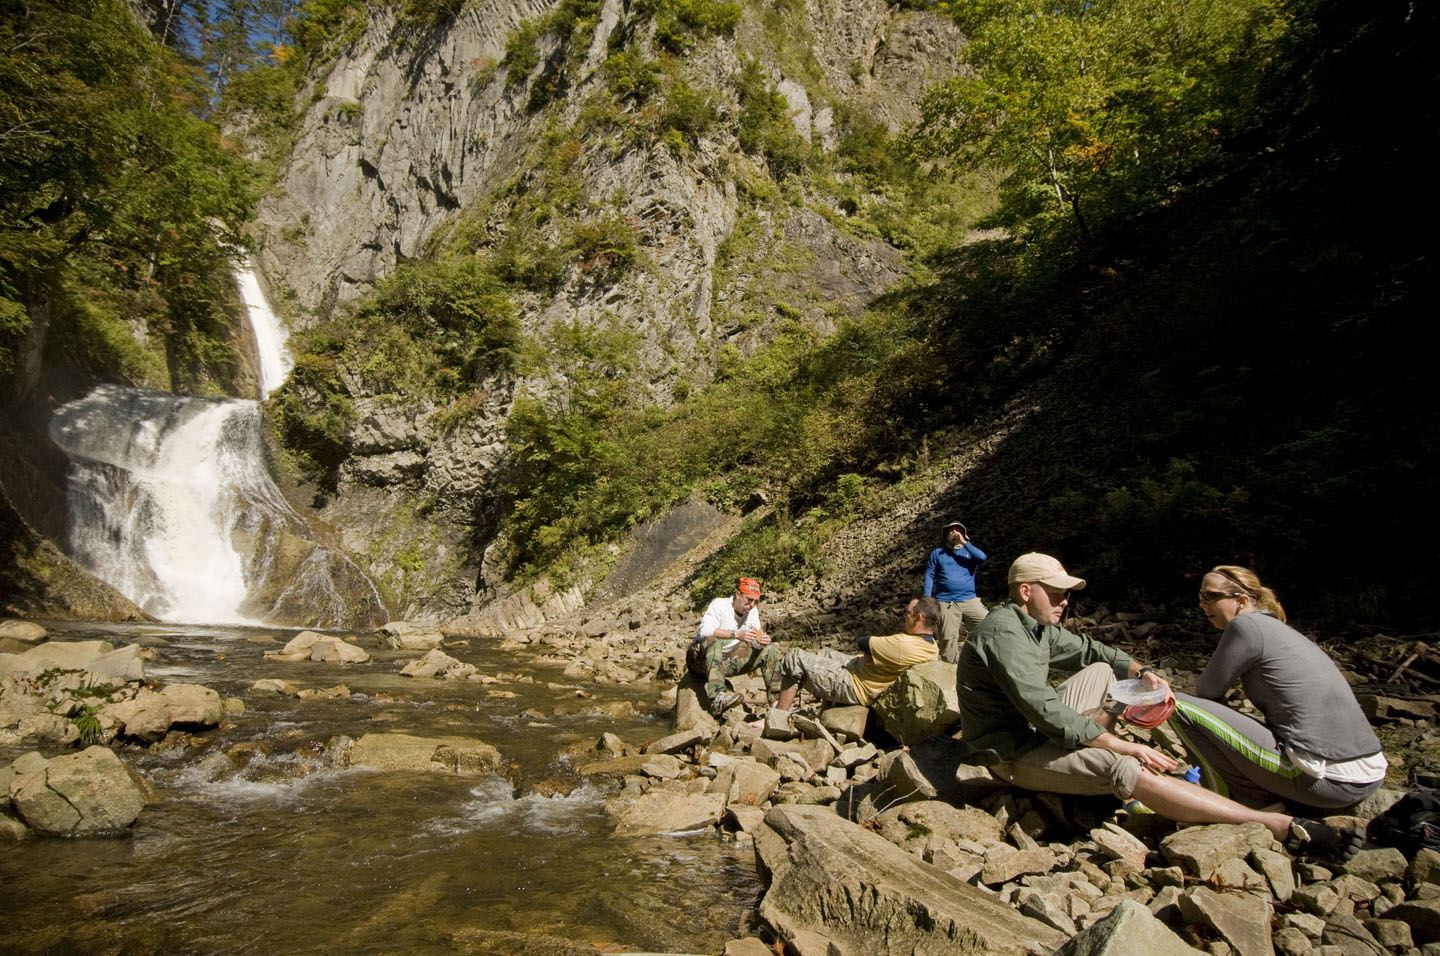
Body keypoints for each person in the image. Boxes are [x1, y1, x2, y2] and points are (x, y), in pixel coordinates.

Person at [956, 552, 1363, 862]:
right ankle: (1276, 825)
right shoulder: (1004, 634)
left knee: (1100, 669)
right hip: (1011, 753)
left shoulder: (1039, 627)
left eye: (1067, 594)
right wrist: (1124, 746)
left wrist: (1143, 670)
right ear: (1026, 592)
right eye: (1057, 593)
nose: (1065, 602)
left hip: (1034, 731)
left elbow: (1091, 650)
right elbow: (1043, 709)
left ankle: (1094, 747)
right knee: (1126, 767)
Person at [1170, 565, 1387, 812]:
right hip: (1368, 773)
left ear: (1241, 600)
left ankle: (1227, 804)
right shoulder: (1279, 630)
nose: (1202, 604)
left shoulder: (1246, 626)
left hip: (1328, 779)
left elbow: (1207, 693)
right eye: (1200, 596)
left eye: (1210, 596)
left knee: (1176, 704)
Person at [773, 596, 941, 712]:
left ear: (918, 618)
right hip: (868, 675)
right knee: (827, 653)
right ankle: (825, 715)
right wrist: (876, 655)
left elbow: (862, 641)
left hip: (856, 686)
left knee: (794, 658)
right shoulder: (932, 647)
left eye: (907, 613)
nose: (904, 616)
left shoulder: (902, 645)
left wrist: (873, 651)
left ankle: (779, 717)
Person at [687, 577, 785, 715]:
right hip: (699, 660)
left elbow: (754, 640)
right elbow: (704, 631)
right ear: (738, 595)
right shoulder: (719, 605)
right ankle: (717, 699)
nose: (751, 605)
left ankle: (777, 703)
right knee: (713, 641)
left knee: (769, 651)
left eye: (755, 601)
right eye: (748, 600)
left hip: (723, 662)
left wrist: (761, 640)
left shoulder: (752, 611)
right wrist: (736, 634)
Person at [923, 520, 988, 663]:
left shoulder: (968, 551)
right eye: (950, 530)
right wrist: (927, 598)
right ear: (945, 535)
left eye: (957, 529)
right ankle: (950, 670)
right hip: (946, 602)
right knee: (947, 638)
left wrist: (965, 542)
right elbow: (929, 575)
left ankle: (982, 662)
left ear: (963, 533)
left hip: (969, 599)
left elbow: (982, 558)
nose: (953, 532)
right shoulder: (938, 553)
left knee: (988, 626)